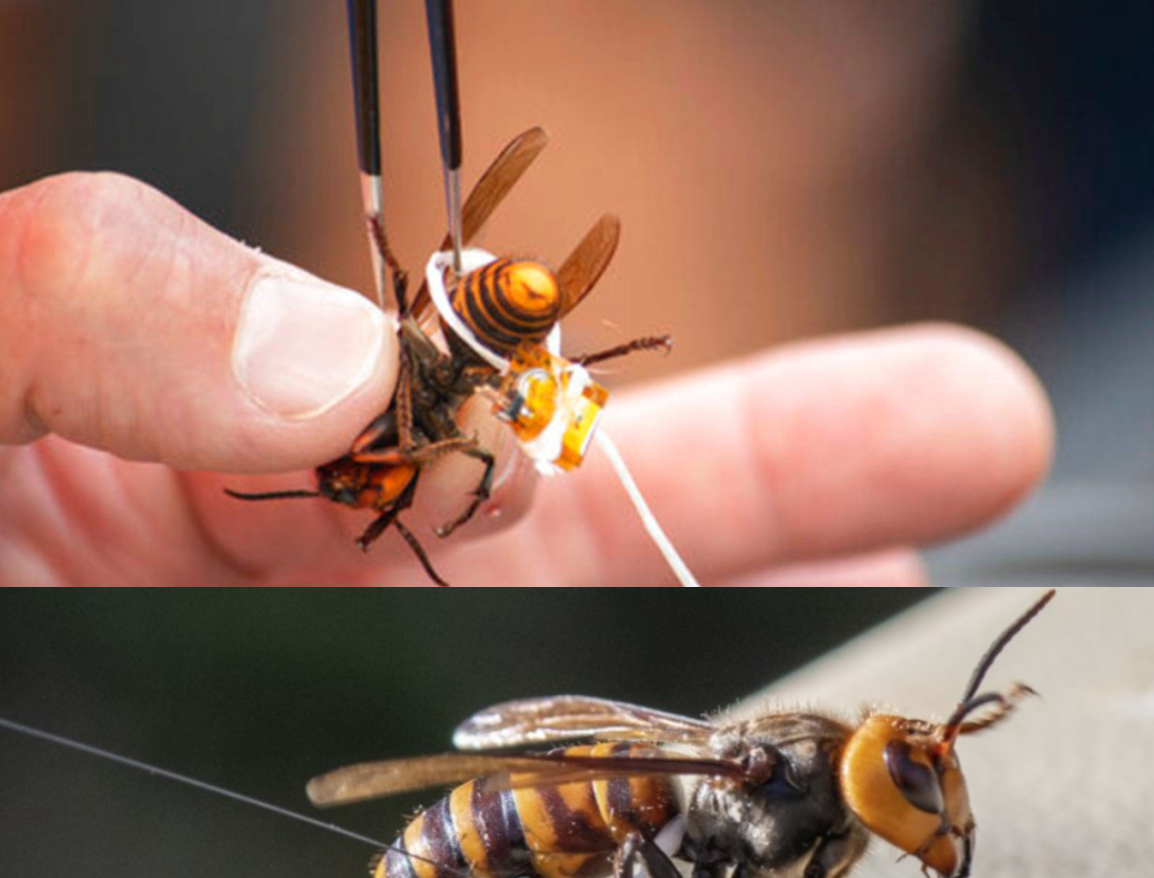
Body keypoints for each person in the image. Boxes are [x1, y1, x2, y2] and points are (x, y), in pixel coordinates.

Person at [0, 172, 1052, 585]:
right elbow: (454, 441)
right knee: (473, 439)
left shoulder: (380, 406)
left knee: (471, 435)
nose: (366, 492)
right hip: (493, 317)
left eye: (363, 490)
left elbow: (452, 434)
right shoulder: (412, 432)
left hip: (489, 319)